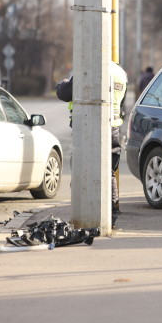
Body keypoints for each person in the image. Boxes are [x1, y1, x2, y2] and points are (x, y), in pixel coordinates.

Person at [55, 60, 128, 226]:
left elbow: (65, 93)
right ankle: (111, 214)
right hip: (114, 128)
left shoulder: (90, 65)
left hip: (89, 128)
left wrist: (63, 83)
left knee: (81, 170)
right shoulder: (120, 72)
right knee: (108, 171)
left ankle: (82, 213)